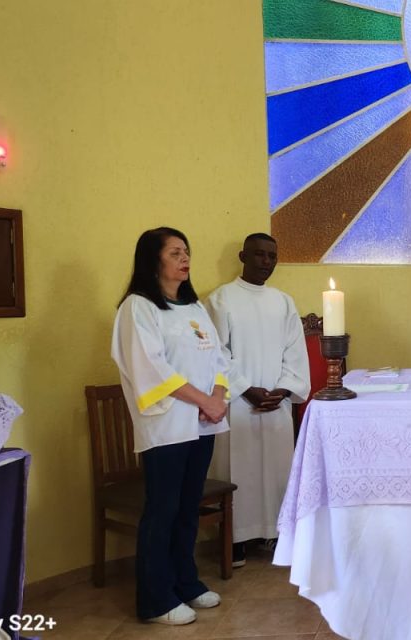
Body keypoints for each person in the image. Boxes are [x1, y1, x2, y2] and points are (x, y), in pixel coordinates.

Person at [111, 227, 229, 625]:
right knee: (162, 510)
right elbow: (151, 367)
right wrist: (205, 401)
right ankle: (156, 599)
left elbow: (219, 360)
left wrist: (217, 398)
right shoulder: (138, 308)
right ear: (153, 259)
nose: (185, 258)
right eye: (175, 252)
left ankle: (187, 583)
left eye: (187, 251)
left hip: (201, 425)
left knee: (187, 508)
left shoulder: (195, 309)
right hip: (166, 427)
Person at [206, 233, 310, 567]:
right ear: (243, 256)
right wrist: (245, 388)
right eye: (259, 255)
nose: (267, 262)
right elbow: (215, 352)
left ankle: (272, 532)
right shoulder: (221, 299)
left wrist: (283, 389)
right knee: (241, 472)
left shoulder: (283, 301)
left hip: (275, 404)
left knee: (275, 471)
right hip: (237, 403)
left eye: (272, 256)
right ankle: (234, 539)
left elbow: (295, 352)